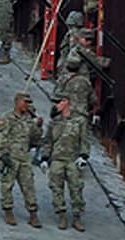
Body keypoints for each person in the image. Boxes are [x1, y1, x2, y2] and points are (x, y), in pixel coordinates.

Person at [0, 92, 43, 228]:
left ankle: (33, 214)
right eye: (25, 102)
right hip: (10, 157)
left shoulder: (29, 120)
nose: (27, 105)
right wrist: (3, 153)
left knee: (28, 186)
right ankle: (8, 211)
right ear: (17, 102)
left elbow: (35, 141)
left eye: (29, 103)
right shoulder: (8, 118)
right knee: (7, 185)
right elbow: (1, 136)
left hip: (24, 158)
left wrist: (38, 127)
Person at [39, 94, 91, 232]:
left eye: (59, 102)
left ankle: (77, 217)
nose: (56, 105)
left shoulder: (79, 121)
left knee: (76, 188)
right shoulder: (54, 122)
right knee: (56, 188)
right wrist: (44, 158)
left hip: (72, 159)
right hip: (57, 159)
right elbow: (48, 141)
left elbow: (84, 139)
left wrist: (84, 156)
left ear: (66, 102)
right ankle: (61, 215)